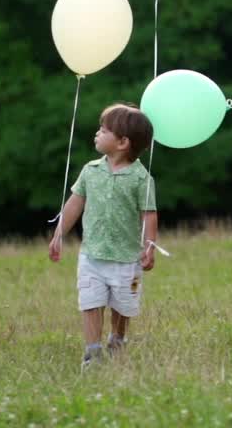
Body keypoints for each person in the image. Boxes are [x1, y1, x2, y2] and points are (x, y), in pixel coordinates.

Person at [50, 103, 158, 367]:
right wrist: (59, 234)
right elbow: (75, 203)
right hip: (92, 255)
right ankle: (93, 352)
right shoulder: (90, 171)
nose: (97, 133)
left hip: (126, 259)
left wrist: (149, 245)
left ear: (122, 142)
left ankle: (118, 339)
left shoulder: (141, 179)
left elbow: (149, 214)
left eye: (104, 130)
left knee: (123, 306)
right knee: (91, 301)